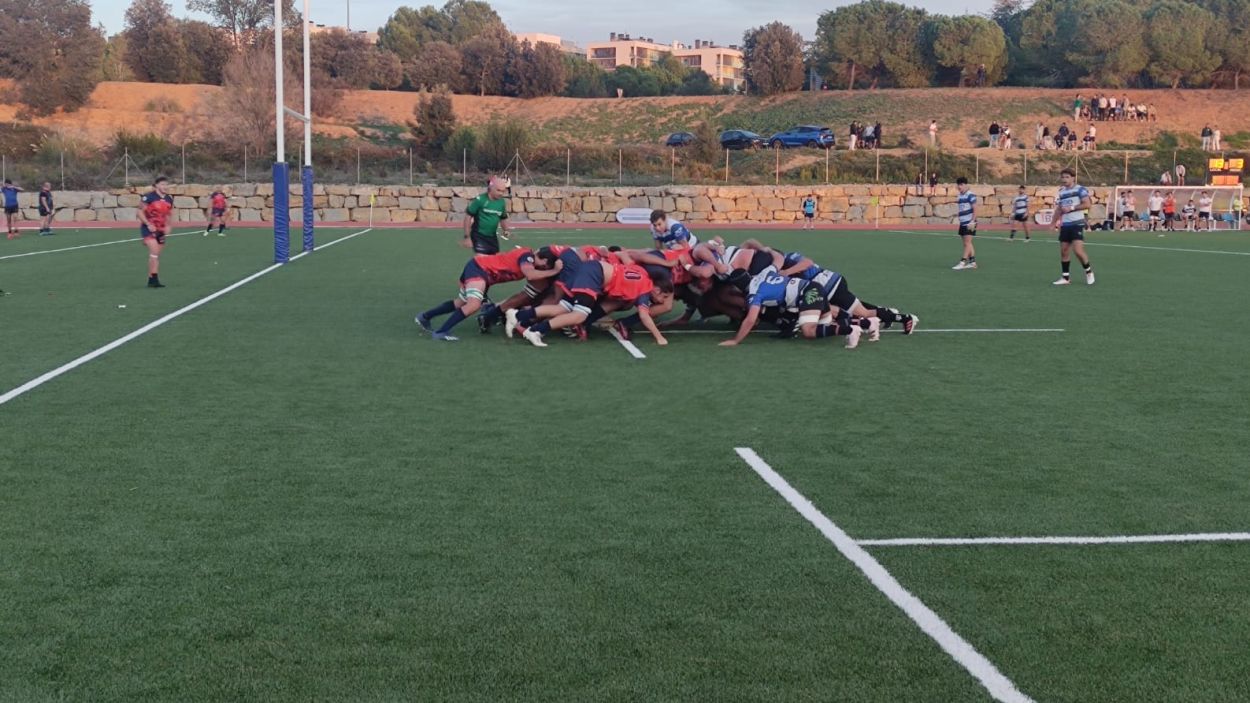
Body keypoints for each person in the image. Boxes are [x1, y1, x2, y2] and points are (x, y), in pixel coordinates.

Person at [417, 246, 560, 341]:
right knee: (473, 305)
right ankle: (441, 332)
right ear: (544, 260)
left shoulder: (528, 256)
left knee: (461, 303)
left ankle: (424, 317)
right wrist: (554, 271)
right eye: (544, 266)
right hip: (480, 269)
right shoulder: (527, 256)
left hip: (480, 270)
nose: (542, 269)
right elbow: (530, 274)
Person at [1053, 168, 1094, 286]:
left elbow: (1087, 204)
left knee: (1078, 251)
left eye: (1067, 177)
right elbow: (1059, 209)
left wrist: (1071, 208)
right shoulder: (1061, 192)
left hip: (1077, 223)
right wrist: (1052, 223)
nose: (1064, 179)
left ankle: (1089, 272)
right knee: (1064, 251)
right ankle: (1065, 278)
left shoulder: (1080, 189)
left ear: (1073, 178)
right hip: (1065, 225)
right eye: (1062, 177)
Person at [139, 176, 175, 288]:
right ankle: (154, 279)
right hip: (149, 228)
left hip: (161, 229)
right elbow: (139, 212)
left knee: (156, 255)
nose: (165, 186)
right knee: (154, 252)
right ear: (156, 186)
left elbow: (169, 214)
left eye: (166, 184)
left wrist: (169, 226)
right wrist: (148, 224)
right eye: (162, 184)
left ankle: (151, 279)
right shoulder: (148, 197)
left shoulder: (169, 198)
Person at [462, 176, 512, 254]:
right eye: (498, 190)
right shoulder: (480, 200)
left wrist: (506, 230)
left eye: (503, 191)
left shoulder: (501, 202)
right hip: (479, 235)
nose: (501, 193)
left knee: (494, 261)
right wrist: (467, 237)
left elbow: (503, 218)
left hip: (492, 237)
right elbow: (468, 217)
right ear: (491, 188)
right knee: (481, 259)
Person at [952, 177, 977, 270]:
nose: (959, 187)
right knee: (967, 243)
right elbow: (962, 208)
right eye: (958, 184)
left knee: (967, 243)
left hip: (969, 223)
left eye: (961, 185)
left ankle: (962, 262)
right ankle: (973, 262)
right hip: (962, 222)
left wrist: (972, 221)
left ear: (965, 185)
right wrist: (959, 215)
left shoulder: (971, 195)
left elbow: (975, 208)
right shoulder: (960, 196)